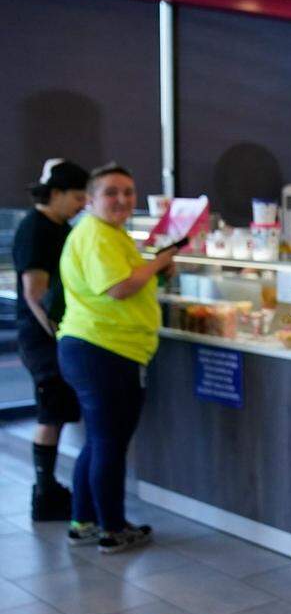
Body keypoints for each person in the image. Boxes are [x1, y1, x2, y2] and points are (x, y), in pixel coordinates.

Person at [57, 163, 175, 553]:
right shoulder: (96, 235)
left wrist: (155, 270)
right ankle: (112, 528)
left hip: (99, 348)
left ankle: (83, 521)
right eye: (111, 192)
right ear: (90, 199)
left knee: (99, 440)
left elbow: (129, 279)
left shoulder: (108, 233)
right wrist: (158, 262)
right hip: (103, 350)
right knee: (110, 442)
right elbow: (119, 288)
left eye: (128, 191)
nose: (122, 199)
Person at [13, 159, 89, 521]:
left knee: (57, 411)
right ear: (56, 193)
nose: (82, 204)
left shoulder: (61, 227)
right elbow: (34, 292)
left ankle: (50, 490)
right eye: (77, 196)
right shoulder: (36, 229)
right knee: (51, 411)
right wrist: (59, 334)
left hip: (59, 332)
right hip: (42, 336)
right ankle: (44, 493)